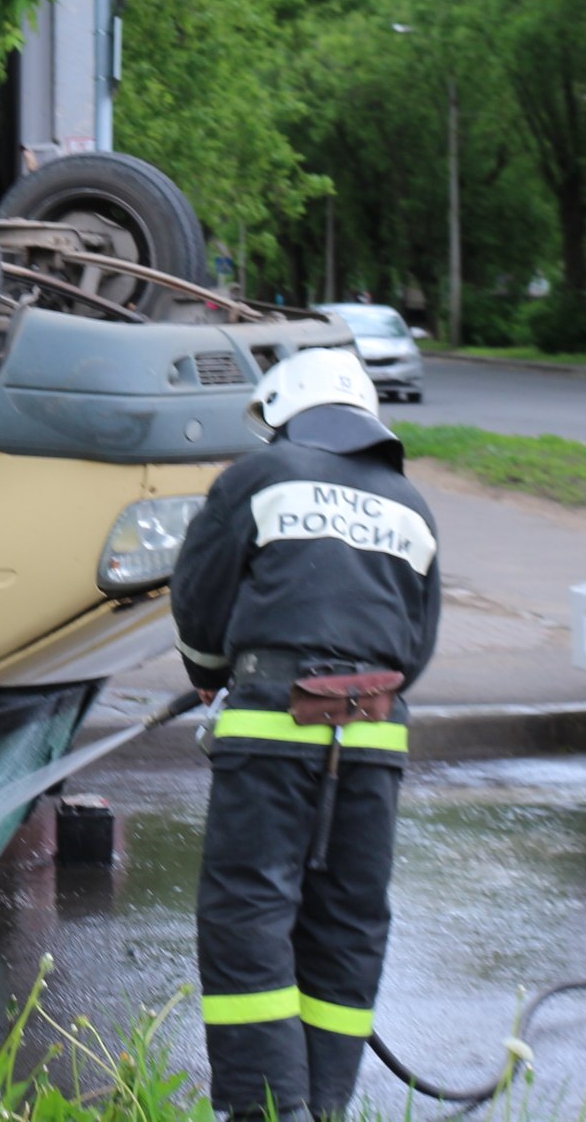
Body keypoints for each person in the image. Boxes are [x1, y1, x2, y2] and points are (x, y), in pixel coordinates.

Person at [170, 349, 442, 1122]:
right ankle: (322, 1105)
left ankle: (266, 1109)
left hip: (273, 719)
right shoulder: (412, 504)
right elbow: (415, 647)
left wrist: (212, 672)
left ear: (287, 411)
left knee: (249, 909)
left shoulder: (258, 479)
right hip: (377, 731)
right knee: (350, 917)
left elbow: (199, 597)